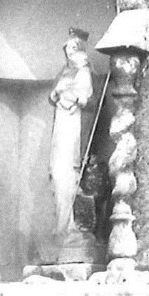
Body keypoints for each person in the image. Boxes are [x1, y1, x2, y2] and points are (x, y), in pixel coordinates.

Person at [48, 29, 93, 242]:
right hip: (61, 125)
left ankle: (68, 224)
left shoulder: (83, 73)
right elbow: (53, 96)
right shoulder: (65, 73)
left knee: (67, 172)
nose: (69, 53)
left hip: (71, 125)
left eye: (73, 48)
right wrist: (58, 93)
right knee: (57, 173)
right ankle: (62, 223)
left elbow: (84, 98)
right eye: (67, 49)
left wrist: (70, 96)